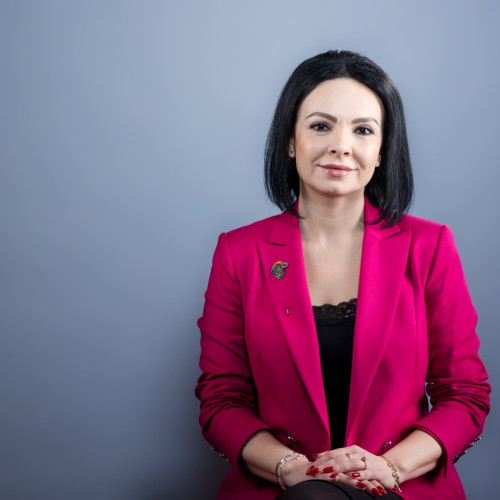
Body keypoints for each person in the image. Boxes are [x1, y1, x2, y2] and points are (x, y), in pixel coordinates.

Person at [195, 50, 490, 500]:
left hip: (399, 485)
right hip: (284, 487)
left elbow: (465, 395)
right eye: (320, 126)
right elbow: (221, 401)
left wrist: (389, 467)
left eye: (363, 130)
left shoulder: (429, 246)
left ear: (382, 150)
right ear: (290, 140)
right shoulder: (239, 253)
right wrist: (294, 469)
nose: (341, 145)